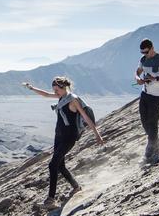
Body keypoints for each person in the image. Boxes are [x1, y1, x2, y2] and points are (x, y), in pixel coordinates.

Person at [24, 77, 104, 209]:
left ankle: (50, 200)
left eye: (57, 90)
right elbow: (45, 94)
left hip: (69, 137)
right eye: (54, 90)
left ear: (63, 88)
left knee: (52, 165)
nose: (55, 93)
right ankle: (76, 186)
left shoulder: (73, 100)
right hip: (59, 135)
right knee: (60, 165)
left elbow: (85, 117)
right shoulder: (61, 97)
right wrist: (31, 88)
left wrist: (97, 135)